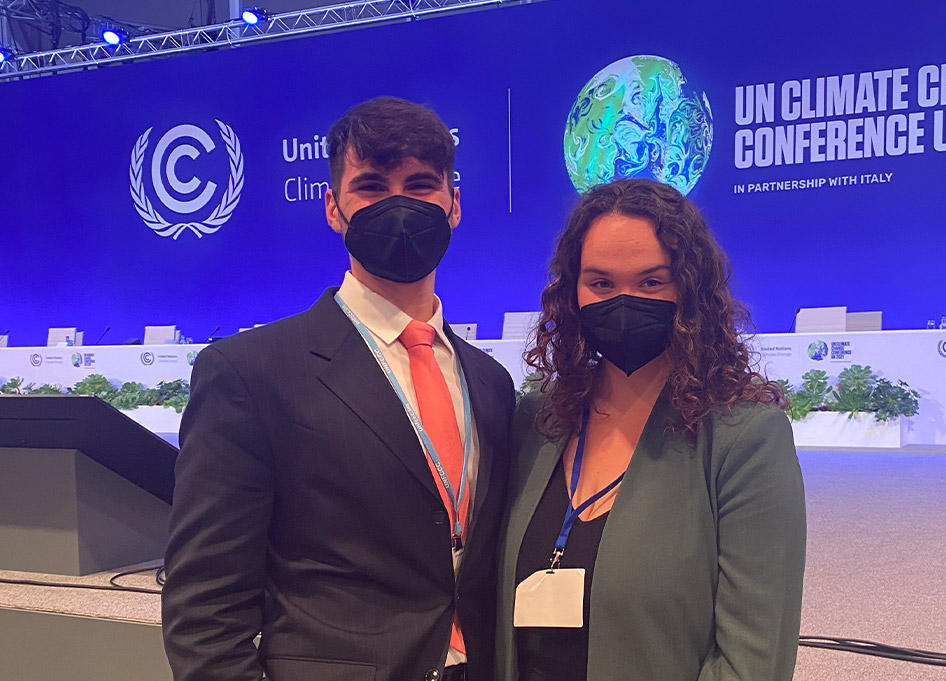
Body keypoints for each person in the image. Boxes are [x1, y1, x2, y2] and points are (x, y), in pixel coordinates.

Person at [162, 96, 515, 681]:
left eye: (422, 184)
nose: (399, 203)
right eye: (372, 187)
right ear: (333, 208)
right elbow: (204, 612)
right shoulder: (249, 371)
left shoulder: (491, 382)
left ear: (453, 205)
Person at [496, 178, 806, 681]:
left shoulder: (744, 438)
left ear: (690, 290)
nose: (624, 302)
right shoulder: (537, 423)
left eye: (651, 283)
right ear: (571, 293)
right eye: (600, 283)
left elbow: (754, 659)